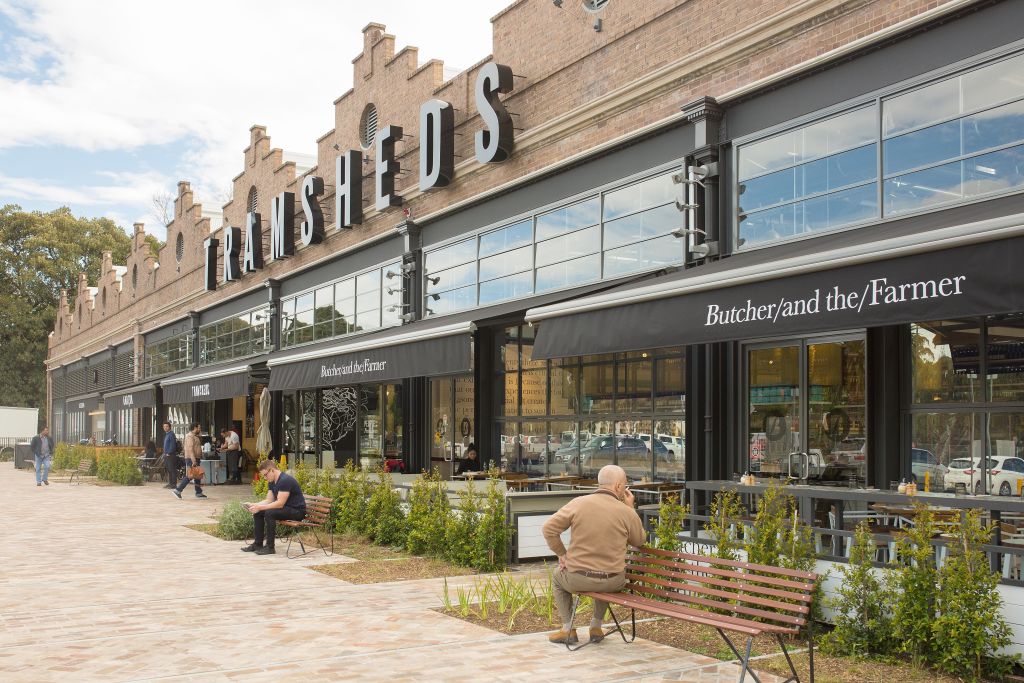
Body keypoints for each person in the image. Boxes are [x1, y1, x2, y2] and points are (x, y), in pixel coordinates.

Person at [541, 464, 644, 645]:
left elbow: (548, 529)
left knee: (558, 578)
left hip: (578, 578)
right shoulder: (626, 512)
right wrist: (631, 508)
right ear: (618, 486)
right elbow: (639, 541)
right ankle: (596, 626)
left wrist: (562, 554)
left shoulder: (579, 503)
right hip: (613, 581)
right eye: (626, 485)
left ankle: (568, 630)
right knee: (607, 574)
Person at [241, 459, 306, 555]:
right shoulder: (272, 481)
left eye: (265, 475)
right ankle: (257, 544)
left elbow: (280, 503)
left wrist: (260, 507)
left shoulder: (285, 480)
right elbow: (269, 500)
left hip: (297, 511)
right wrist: (254, 505)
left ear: (272, 470)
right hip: (285, 509)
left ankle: (270, 547)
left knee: (270, 513)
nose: (265, 478)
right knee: (258, 512)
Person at [172, 423, 206, 499]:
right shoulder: (190, 436)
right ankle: (178, 490)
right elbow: (190, 449)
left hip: (196, 458)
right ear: (195, 428)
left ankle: (199, 492)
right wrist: (193, 460)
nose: (200, 429)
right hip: (191, 459)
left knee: (197, 475)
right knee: (190, 476)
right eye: (199, 428)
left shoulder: (195, 436)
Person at [161, 422, 180, 489]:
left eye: (167, 426)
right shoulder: (167, 434)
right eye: (164, 426)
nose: (165, 428)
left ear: (169, 427)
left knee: (172, 470)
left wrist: (169, 452)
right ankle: (170, 483)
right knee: (169, 470)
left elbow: (173, 445)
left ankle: (174, 484)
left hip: (170, 455)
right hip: (166, 455)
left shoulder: (171, 434)